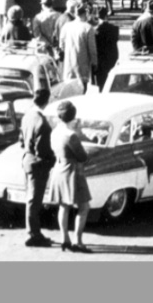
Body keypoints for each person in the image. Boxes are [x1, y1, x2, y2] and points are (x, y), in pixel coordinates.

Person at [47, 100, 91, 253]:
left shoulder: (55, 132)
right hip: (73, 172)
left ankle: (64, 239)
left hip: (58, 169)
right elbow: (83, 157)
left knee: (63, 206)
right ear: (73, 116)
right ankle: (77, 241)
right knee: (84, 207)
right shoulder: (71, 135)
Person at [20, 87, 55, 248]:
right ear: (47, 101)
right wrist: (53, 161)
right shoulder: (43, 124)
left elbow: (22, 140)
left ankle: (34, 232)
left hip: (27, 160)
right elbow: (43, 151)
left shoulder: (27, 116)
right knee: (34, 200)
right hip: (38, 164)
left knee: (31, 199)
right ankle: (33, 234)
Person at [58, 3, 97, 92]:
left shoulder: (66, 26)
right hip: (82, 68)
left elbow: (61, 45)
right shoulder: (88, 28)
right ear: (85, 13)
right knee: (82, 92)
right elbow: (92, 49)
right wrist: (95, 62)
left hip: (68, 67)